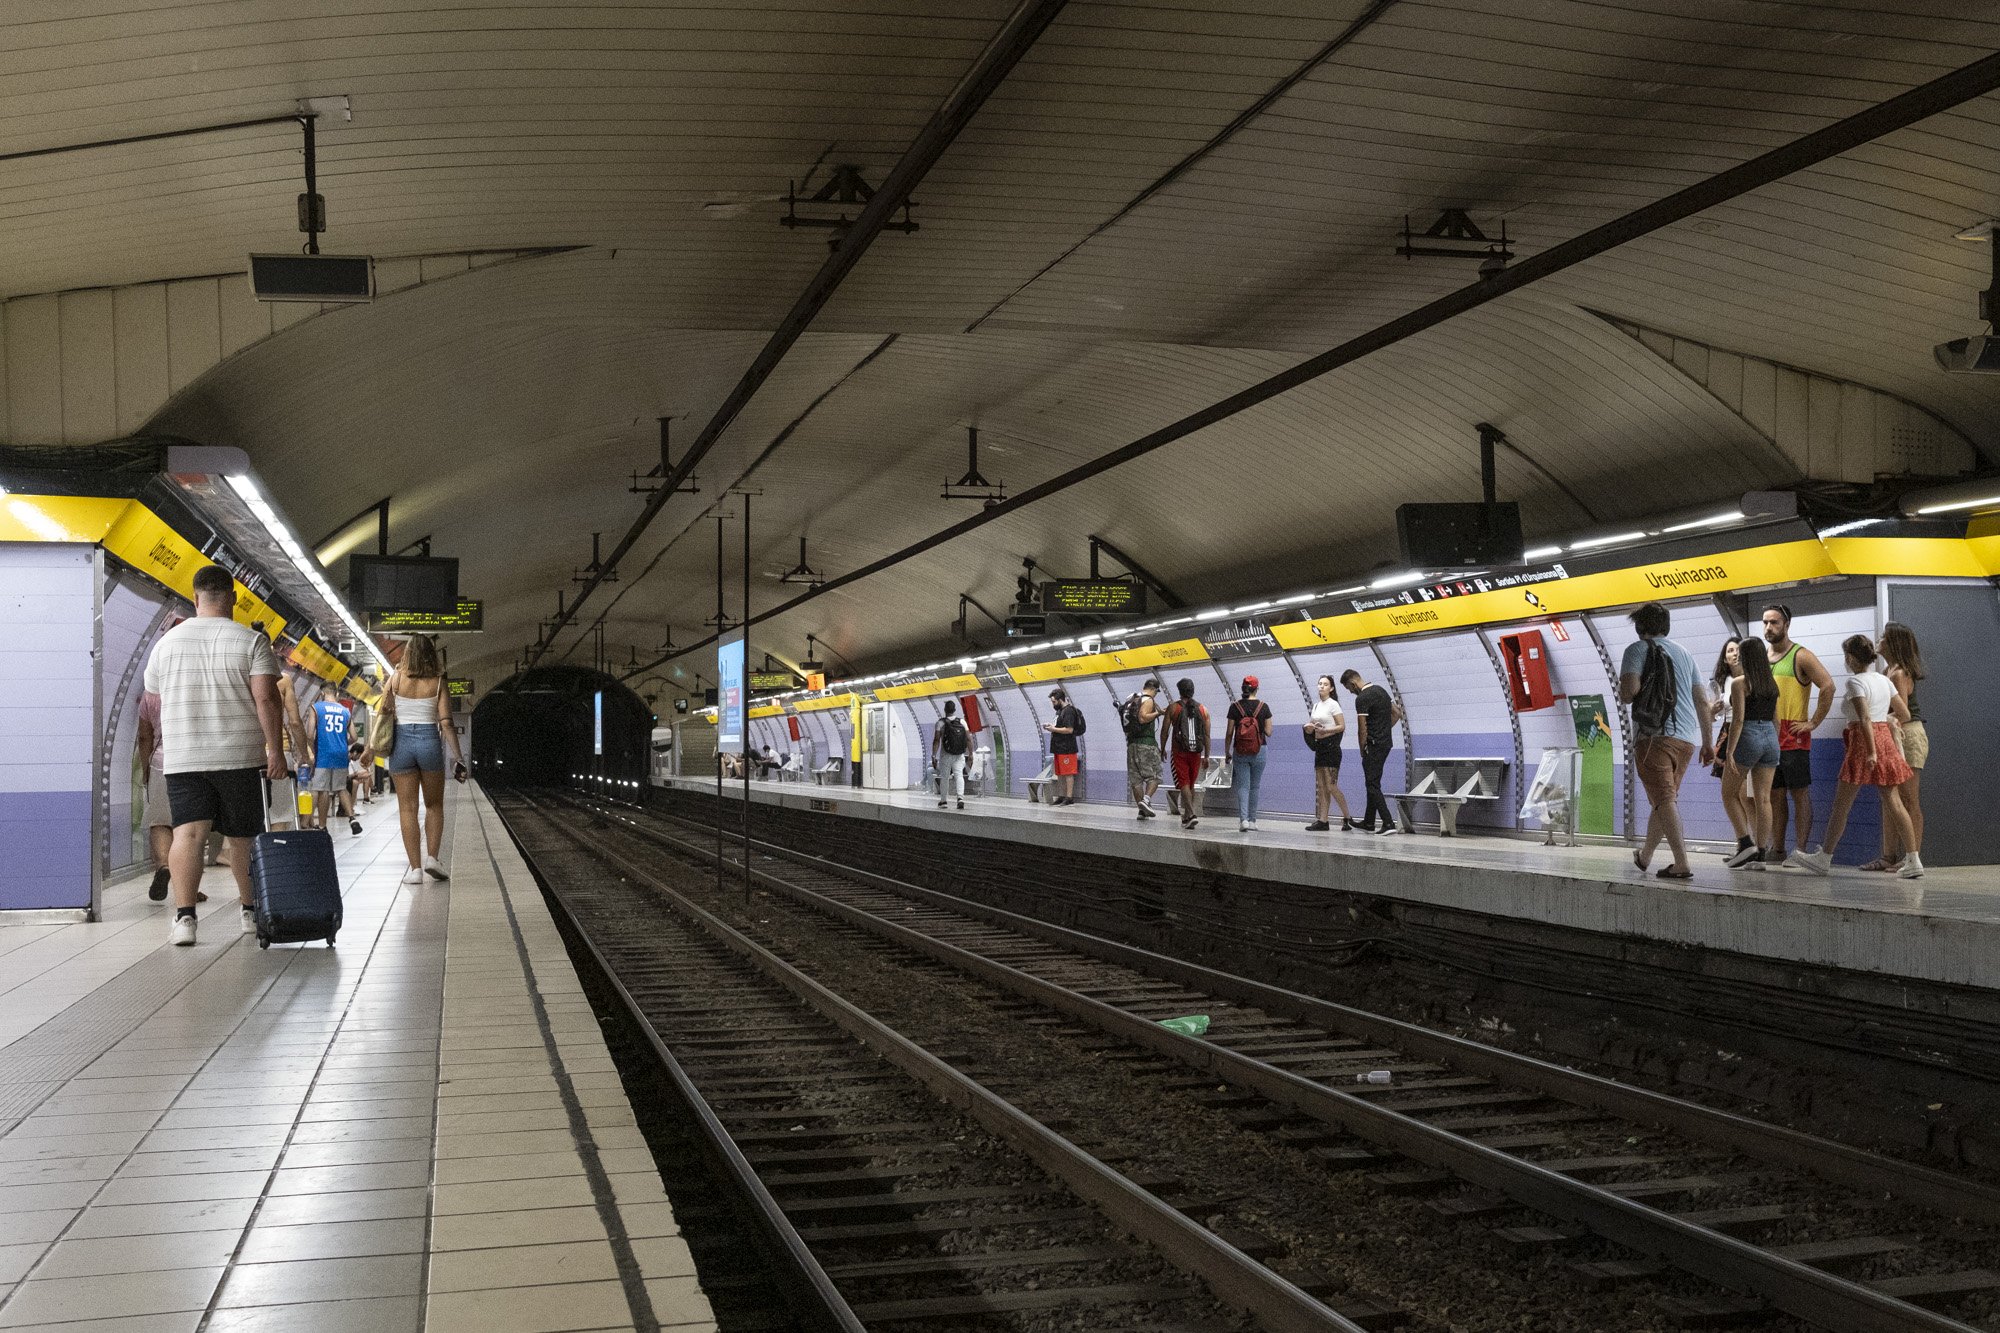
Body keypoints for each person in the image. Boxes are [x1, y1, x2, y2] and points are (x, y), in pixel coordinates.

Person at [142, 565, 287, 946]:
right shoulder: (252, 642)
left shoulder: (165, 644)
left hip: (184, 756)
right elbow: (267, 698)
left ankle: (185, 920)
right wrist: (276, 749)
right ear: (234, 597)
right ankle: (250, 914)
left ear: (195, 598)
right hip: (239, 756)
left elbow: (154, 695)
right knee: (242, 838)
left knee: (188, 834)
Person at [1789, 635, 1920, 878]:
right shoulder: (1883, 679)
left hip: (1863, 741)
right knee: (1895, 802)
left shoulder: (1854, 683)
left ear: (1849, 657)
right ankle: (1913, 860)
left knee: (1841, 806)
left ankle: (1824, 857)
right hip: (1883, 738)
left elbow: (1864, 718)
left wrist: (1870, 751)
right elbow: (1904, 712)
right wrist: (1888, 721)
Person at [1618, 602, 1714, 880]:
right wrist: (1708, 742)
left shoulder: (1636, 650)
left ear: (1639, 627)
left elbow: (1628, 693)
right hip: (1686, 740)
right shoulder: (1685, 654)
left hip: (1653, 737)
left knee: (1664, 800)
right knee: (1663, 800)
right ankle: (1645, 856)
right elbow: (1702, 701)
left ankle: (1682, 863)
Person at [362, 634, 467, 884]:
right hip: (429, 741)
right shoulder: (439, 682)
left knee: (407, 808)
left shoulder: (396, 679)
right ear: (431, 654)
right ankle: (432, 857)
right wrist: (458, 757)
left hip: (402, 744)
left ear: (407, 653)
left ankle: (415, 870)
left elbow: (383, 714)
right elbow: (446, 723)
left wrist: (370, 748)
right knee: (434, 805)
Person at [1762, 604, 1834, 864]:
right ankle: (1777, 848)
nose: (1768, 628)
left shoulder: (1801, 656)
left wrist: (1813, 722)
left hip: (1793, 737)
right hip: (1767, 737)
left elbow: (1828, 686)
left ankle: (1801, 851)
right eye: (1765, 622)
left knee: (1799, 793)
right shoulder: (1761, 658)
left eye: (1774, 623)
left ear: (1786, 625)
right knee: (1774, 794)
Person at [1866, 623, 1927, 873]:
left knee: (1909, 799)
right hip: (1892, 736)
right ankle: (1888, 855)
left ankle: (1912, 857)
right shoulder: (1886, 670)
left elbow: (1901, 712)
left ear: (1894, 644)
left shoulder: (1899, 673)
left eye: (1884, 637)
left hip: (1907, 736)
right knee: (1890, 799)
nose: (1878, 640)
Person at [135, 691, 205, 904]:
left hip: (160, 763)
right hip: (192, 761)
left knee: (160, 822)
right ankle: (188, 887)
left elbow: (145, 736)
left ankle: (164, 867)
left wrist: (145, 767)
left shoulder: (149, 696)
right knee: (190, 827)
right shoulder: (194, 685)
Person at [1720, 636, 1781, 870]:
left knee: (1728, 793)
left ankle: (1745, 842)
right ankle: (1761, 854)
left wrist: (1731, 750)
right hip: (1769, 737)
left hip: (1748, 734)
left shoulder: (1740, 683)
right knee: (1763, 798)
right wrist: (1773, 742)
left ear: (1745, 657)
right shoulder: (1771, 683)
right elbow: (1776, 719)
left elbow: (1738, 720)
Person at [1342, 669, 1401, 834]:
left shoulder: (1362, 698)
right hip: (1386, 744)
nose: (1351, 692)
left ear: (1353, 684)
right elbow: (1396, 713)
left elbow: (1362, 729)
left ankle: (1388, 823)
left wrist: (1362, 749)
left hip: (1373, 746)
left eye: (1349, 688)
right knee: (1372, 781)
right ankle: (1369, 822)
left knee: (1372, 784)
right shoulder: (1381, 690)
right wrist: (1384, 730)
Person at [1709, 642, 1752, 858]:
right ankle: (1742, 843)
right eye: (1730, 650)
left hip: (1745, 733)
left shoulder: (1752, 679)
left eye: (1738, 650)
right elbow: (1712, 713)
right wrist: (1712, 711)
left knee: (1745, 794)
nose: (1734, 654)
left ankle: (1752, 843)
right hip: (1728, 733)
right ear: (1725, 658)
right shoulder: (1722, 682)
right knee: (1732, 792)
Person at [308, 687, 362, 835]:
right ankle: (352, 818)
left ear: (322, 693)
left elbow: (310, 734)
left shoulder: (316, 708)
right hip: (341, 754)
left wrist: (313, 750)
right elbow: (355, 737)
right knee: (341, 787)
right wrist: (343, 742)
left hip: (324, 754)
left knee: (322, 789)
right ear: (337, 694)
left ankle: (322, 825)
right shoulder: (345, 711)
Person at [1304, 674, 1354, 832]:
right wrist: (1309, 727)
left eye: (1325, 684)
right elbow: (1314, 724)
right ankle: (1323, 820)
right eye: (1319, 684)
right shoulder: (1317, 705)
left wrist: (1325, 730)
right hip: (1320, 747)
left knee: (1331, 786)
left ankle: (1347, 817)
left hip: (1331, 747)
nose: (1321, 686)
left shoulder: (1333, 705)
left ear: (1331, 688)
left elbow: (1341, 726)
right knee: (1322, 787)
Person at [1225, 676, 1274, 832]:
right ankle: (1253, 821)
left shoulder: (1235, 707)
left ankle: (1243, 821)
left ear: (1242, 688)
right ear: (1256, 688)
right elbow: (1269, 732)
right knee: (1255, 786)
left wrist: (1227, 751)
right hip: (1260, 750)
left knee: (1243, 786)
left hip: (1240, 751)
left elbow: (1229, 732)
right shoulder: (1263, 706)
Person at [1159, 678, 1210, 829]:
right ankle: (1187, 817)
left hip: (1179, 751)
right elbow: (1207, 735)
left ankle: (1192, 814)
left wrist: (1162, 749)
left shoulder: (1173, 708)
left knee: (1184, 783)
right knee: (1190, 784)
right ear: (1193, 691)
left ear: (1180, 691)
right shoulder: (1203, 709)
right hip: (1196, 752)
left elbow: (1164, 731)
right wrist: (1207, 756)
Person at [1121, 678, 1169, 819]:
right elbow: (1143, 718)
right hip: (1146, 744)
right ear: (1154, 689)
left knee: (1136, 780)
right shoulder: (1148, 700)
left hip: (1131, 745)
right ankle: (1146, 799)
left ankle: (1142, 811)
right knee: (1155, 776)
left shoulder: (1132, 699)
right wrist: (1158, 713)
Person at [1042, 687, 1084, 806]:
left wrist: (1053, 729)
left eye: (1054, 701)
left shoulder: (1069, 711)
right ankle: (1061, 796)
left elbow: (1069, 730)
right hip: (1058, 747)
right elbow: (1059, 725)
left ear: (1060, 699)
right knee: (1060, 774)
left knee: (1068, 773)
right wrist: (1051, 726)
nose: (1053, 704)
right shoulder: (1060, 712)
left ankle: (1069, 797)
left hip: (1067, 748)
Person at [931, 699, 973, 810]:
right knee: (959, 775)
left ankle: (944, 801)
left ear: (945, 710)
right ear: (954, 710)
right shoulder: (962, 722)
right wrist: (971, 755)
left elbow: (936, 740)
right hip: (959, 754)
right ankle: (960, 798)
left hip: (946, 754)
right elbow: (969, 739)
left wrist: (934, 755)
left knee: (945, 777)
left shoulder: (940, 723)